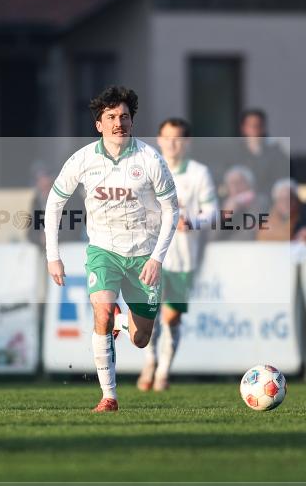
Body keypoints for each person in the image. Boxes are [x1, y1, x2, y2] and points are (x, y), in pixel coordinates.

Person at [44, 86, 179, 413]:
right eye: (111, 117)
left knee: (141, 338)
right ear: (99, 125)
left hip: (144, 256)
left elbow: (172, 210)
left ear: (132, 121)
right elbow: (54, 203)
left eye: (124, 116)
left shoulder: (149, 159)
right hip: (103, 250)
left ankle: (122, 322)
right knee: (101, 313)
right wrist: (53, 256)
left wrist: (158, 259)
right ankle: (109, 397)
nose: (119, 122)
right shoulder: (83, 159)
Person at [137, 118, 216, 393]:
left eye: (178, 138)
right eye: (167, 137)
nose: (172, 143)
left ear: (187, 142)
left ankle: (163, 372)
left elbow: (212, 212)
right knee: (149, 318)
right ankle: (151, 362)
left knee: (172, 318)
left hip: (182, 258)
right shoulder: (147, 168)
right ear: (159, 140)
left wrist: (193, 220)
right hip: (150, 256)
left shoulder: (199, 173)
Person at [219, 109, 291, 192]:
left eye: (259, 125)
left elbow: (281, 180)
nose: (255, 129)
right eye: (251, 126)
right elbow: (225, 179)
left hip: (266, 198)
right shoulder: (232, 153)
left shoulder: (276, 153)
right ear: (244, 128)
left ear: (264, 127)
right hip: (239, 197)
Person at [218, 166, 269, 241]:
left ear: (249, 184)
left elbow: (248, 235)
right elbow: (211, 236)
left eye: (239, 183)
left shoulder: (259, 202)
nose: (235, 187)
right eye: (231, 184)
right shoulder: (226, 204)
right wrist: (225, 216)